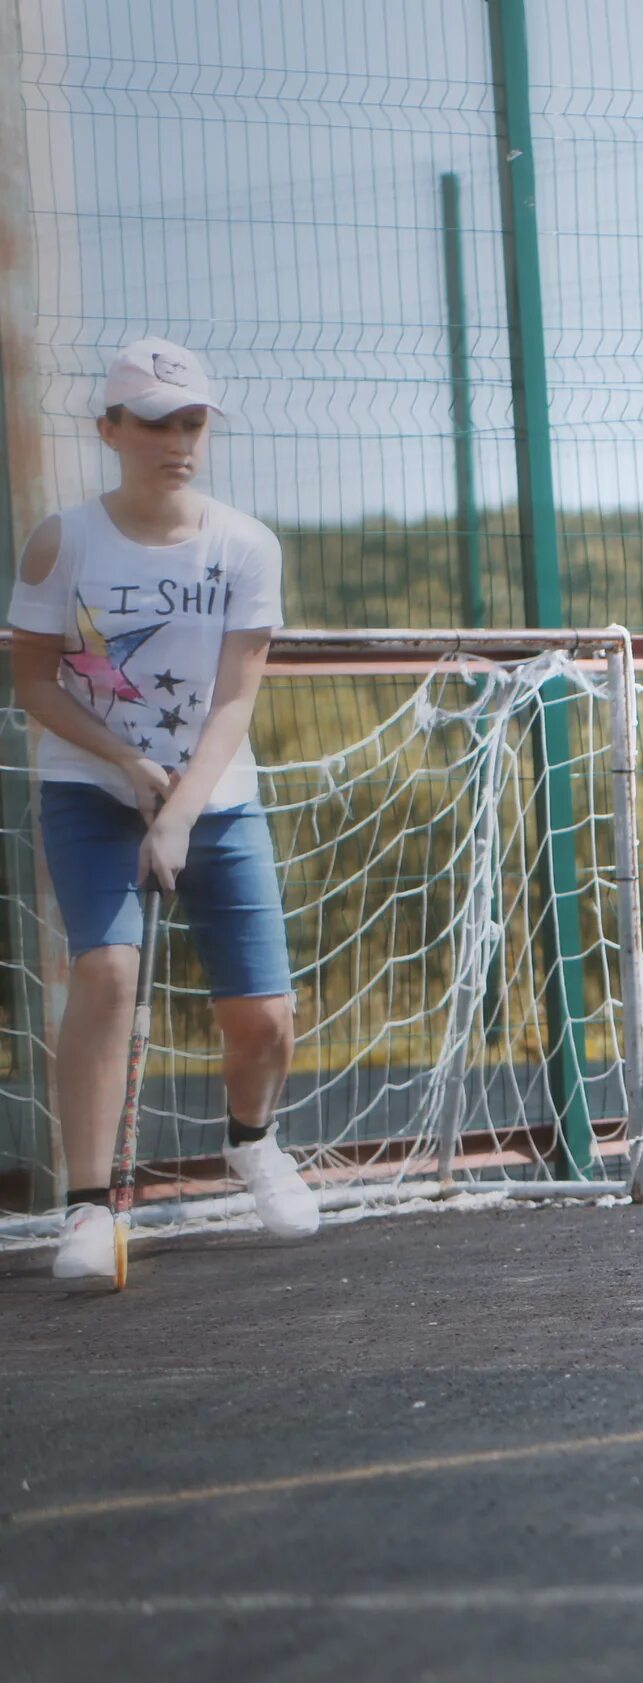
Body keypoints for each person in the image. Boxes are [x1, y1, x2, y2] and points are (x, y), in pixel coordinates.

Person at [10, 339, 318, 1280]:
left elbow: (235, 699)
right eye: (152, 422)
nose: (175, 441)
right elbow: (33, 680)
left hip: (215, 799)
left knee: (263, 1016)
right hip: (90, 783)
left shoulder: (245, 544)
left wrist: (182, 806)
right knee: (104, 970)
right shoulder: (63, 537)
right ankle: (88, 1209)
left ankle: (252, 1143)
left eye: (190, 422)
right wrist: (126, 761)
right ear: (110, 430)